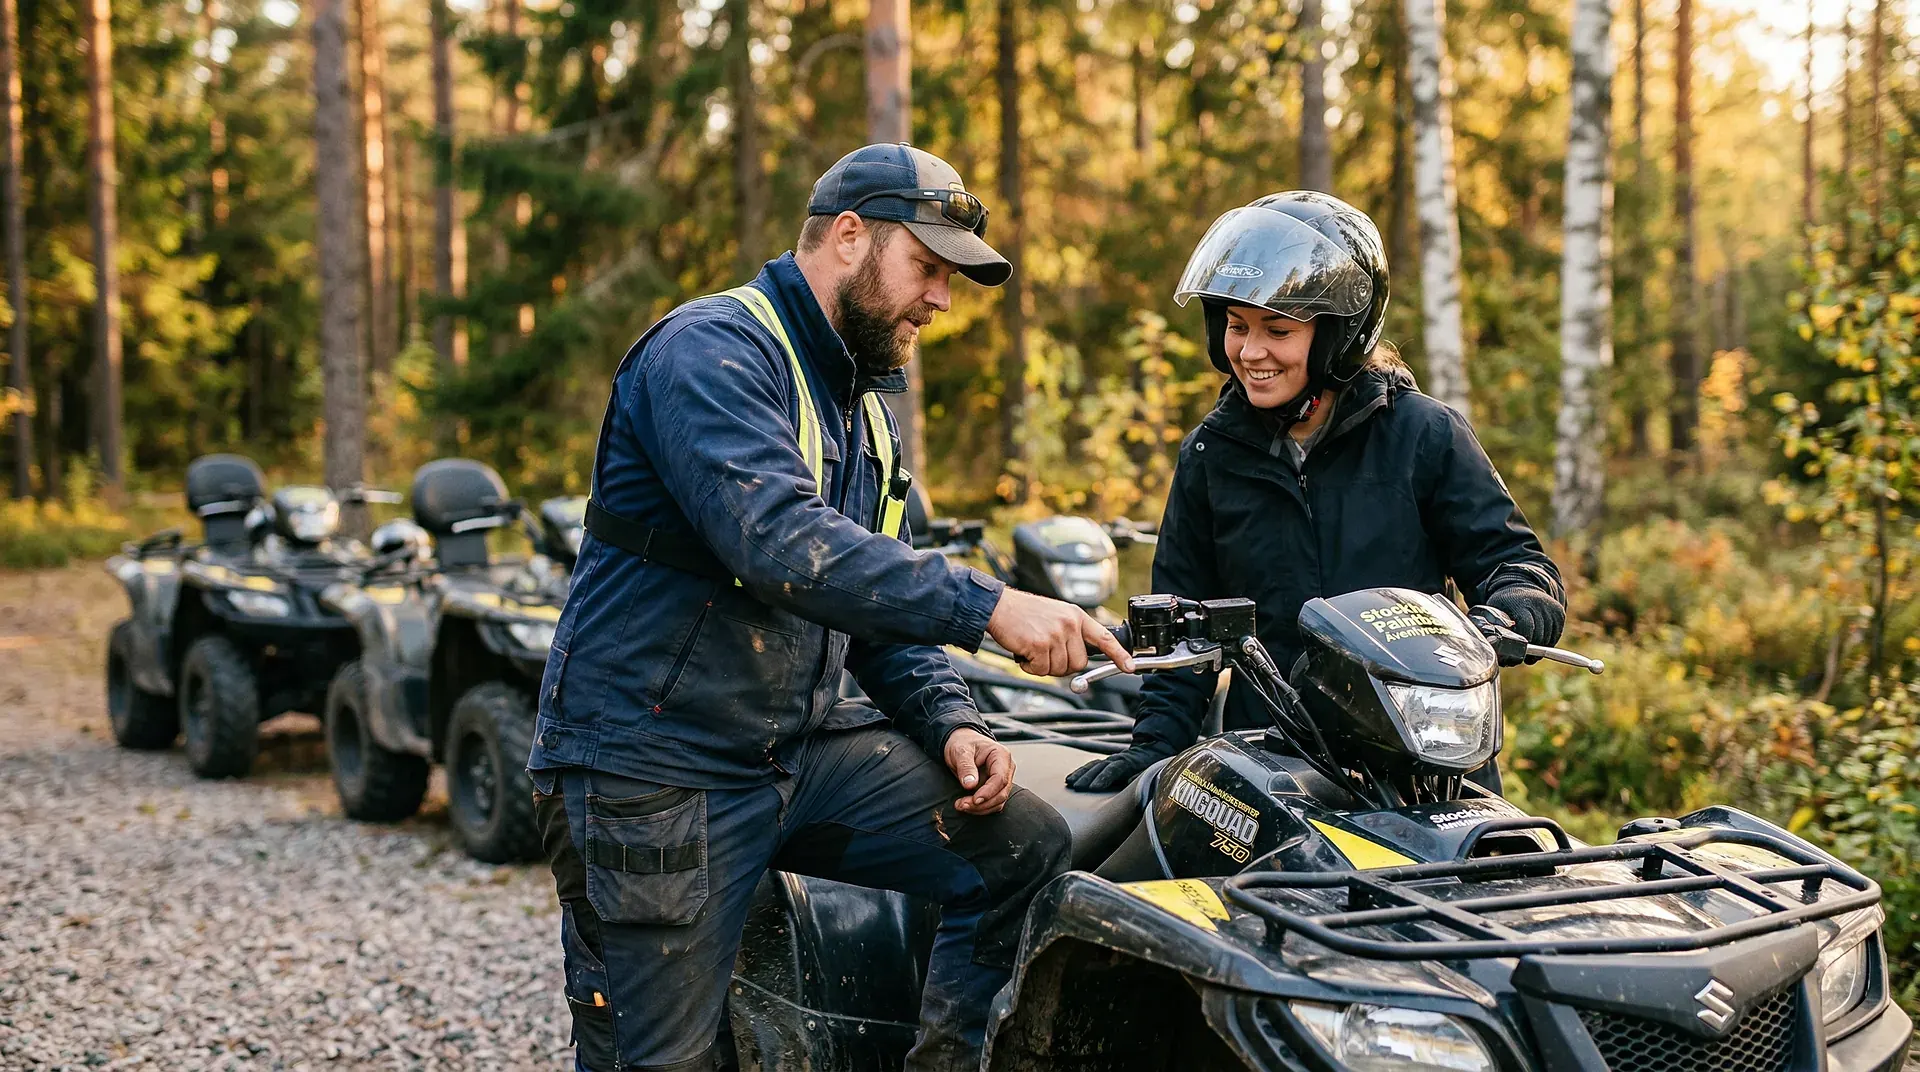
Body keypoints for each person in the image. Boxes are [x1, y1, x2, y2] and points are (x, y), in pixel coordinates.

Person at [528, 143, 1135, 1072]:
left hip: (794, 750)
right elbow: (782, 545)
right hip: (654, 766)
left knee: (1017, 846)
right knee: (665, 1058)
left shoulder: (863, 411)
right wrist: (991, 607)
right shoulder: (710, 352)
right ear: (849, 237)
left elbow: (871, 594)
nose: (940, 300)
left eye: (949, 279)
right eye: (927, 269)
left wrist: (949, 720)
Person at [1065, 191, 1564, 794]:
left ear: (1339, 335)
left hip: (1425, 770)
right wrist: (1149, 751)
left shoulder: (1424, 436)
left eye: (1278, 329)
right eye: (1236, 326)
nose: (1251, 353)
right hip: (1274, 772)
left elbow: (1517, 566)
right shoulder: (1209, 456)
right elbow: (1183, 631)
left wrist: (1506, 615)